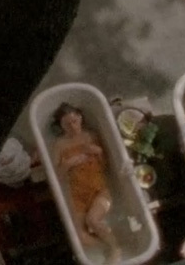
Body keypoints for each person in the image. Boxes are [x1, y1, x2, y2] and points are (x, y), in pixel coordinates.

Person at [51, 103, 120, 264]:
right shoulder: (59, 145)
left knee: (92, 220)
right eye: (67, 124)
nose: (72, 126)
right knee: (80, 237)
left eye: (74, 121)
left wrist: (99, 152)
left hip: (99, 189)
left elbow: (106, 167)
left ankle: (115, 248)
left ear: (80, 118)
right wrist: (68, 164)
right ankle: (106, 246)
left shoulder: (90, 136)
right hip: (78, 195)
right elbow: (57, 177)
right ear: (61, 126)